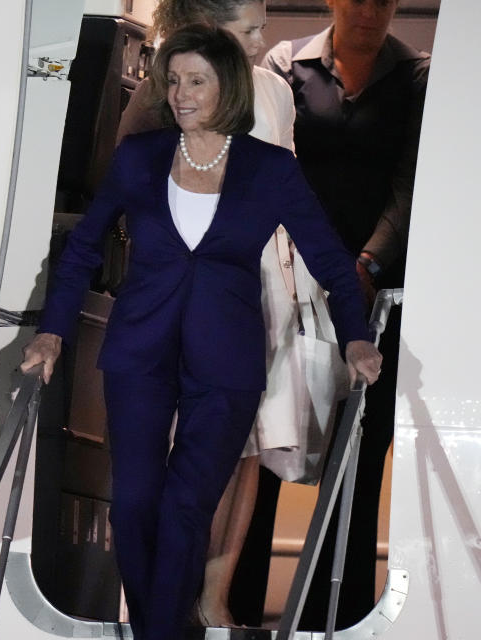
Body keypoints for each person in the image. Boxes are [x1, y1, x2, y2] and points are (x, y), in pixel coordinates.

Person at [21, 24, 382, 640]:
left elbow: (328, 258)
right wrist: (52, 331)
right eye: (174, 80)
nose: (180, 93)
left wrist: (355, 336)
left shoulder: (269, 170)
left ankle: (156, 632)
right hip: (138, 352)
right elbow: (83, 248)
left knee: (186, 509)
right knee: (135, 504)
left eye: (196, 81)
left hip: (227, 361)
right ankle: (161, 629)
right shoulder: (142, 158)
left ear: (229, 88)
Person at [117, 0, 301, 627]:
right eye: (249, 28)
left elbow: (289, 182)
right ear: (210, 27)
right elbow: (124, 182)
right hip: (180, 294)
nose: (261, 39)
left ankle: (213, 599)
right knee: (173, 459)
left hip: (262, 287)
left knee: (248, 443)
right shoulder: (159, 95)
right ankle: (163, 600)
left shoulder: (275, 91)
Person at [262, 0, 429, 629]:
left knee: (361, 451)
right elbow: (274, 164)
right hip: (293, 274)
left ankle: (341, 614)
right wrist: (308, 263)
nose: (370, 10)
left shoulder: (416, 77)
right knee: (271, 439)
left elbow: (411, 186)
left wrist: (365, 265)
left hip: (378, 286)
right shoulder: (286, 63)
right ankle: (243, 603)